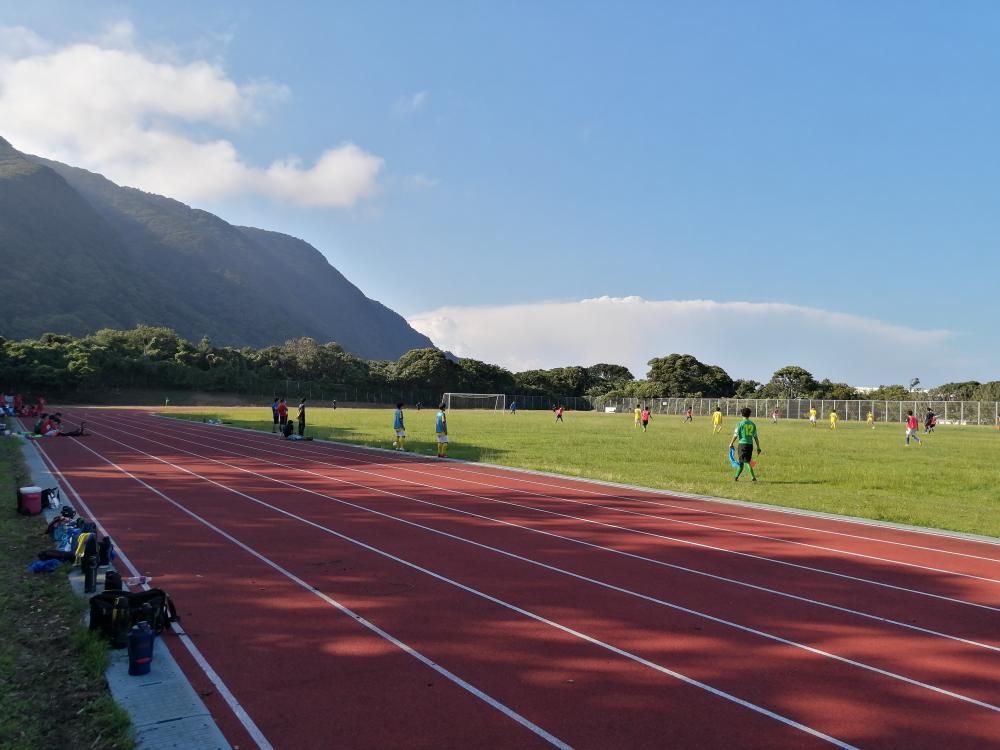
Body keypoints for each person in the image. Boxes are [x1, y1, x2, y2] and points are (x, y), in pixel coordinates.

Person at [730, 407, 762, 482]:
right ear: (749, 414)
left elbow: (735, 434)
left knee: (747, 462)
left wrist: (731, 443)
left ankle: (753, 478)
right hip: (750, 445)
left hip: (742, 445)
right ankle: (735, 477)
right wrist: (758, 447)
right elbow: (755, 437)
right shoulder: (752, 424)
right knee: (741, 462)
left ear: (742, 414)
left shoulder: (740, 424)